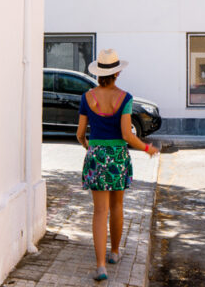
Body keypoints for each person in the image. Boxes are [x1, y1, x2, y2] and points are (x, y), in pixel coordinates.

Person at [76, 49, 159, 281]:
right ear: (117, 72)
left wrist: (87, 146)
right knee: (117, 207)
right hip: (118, 156)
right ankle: (114, 253)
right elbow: (126, 134)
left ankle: (101, 266)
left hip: (96, 155)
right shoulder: (125, 98)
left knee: (99, 211)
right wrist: (147, 148)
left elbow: (80, 133)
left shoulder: (87, 97)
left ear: (98, 72)